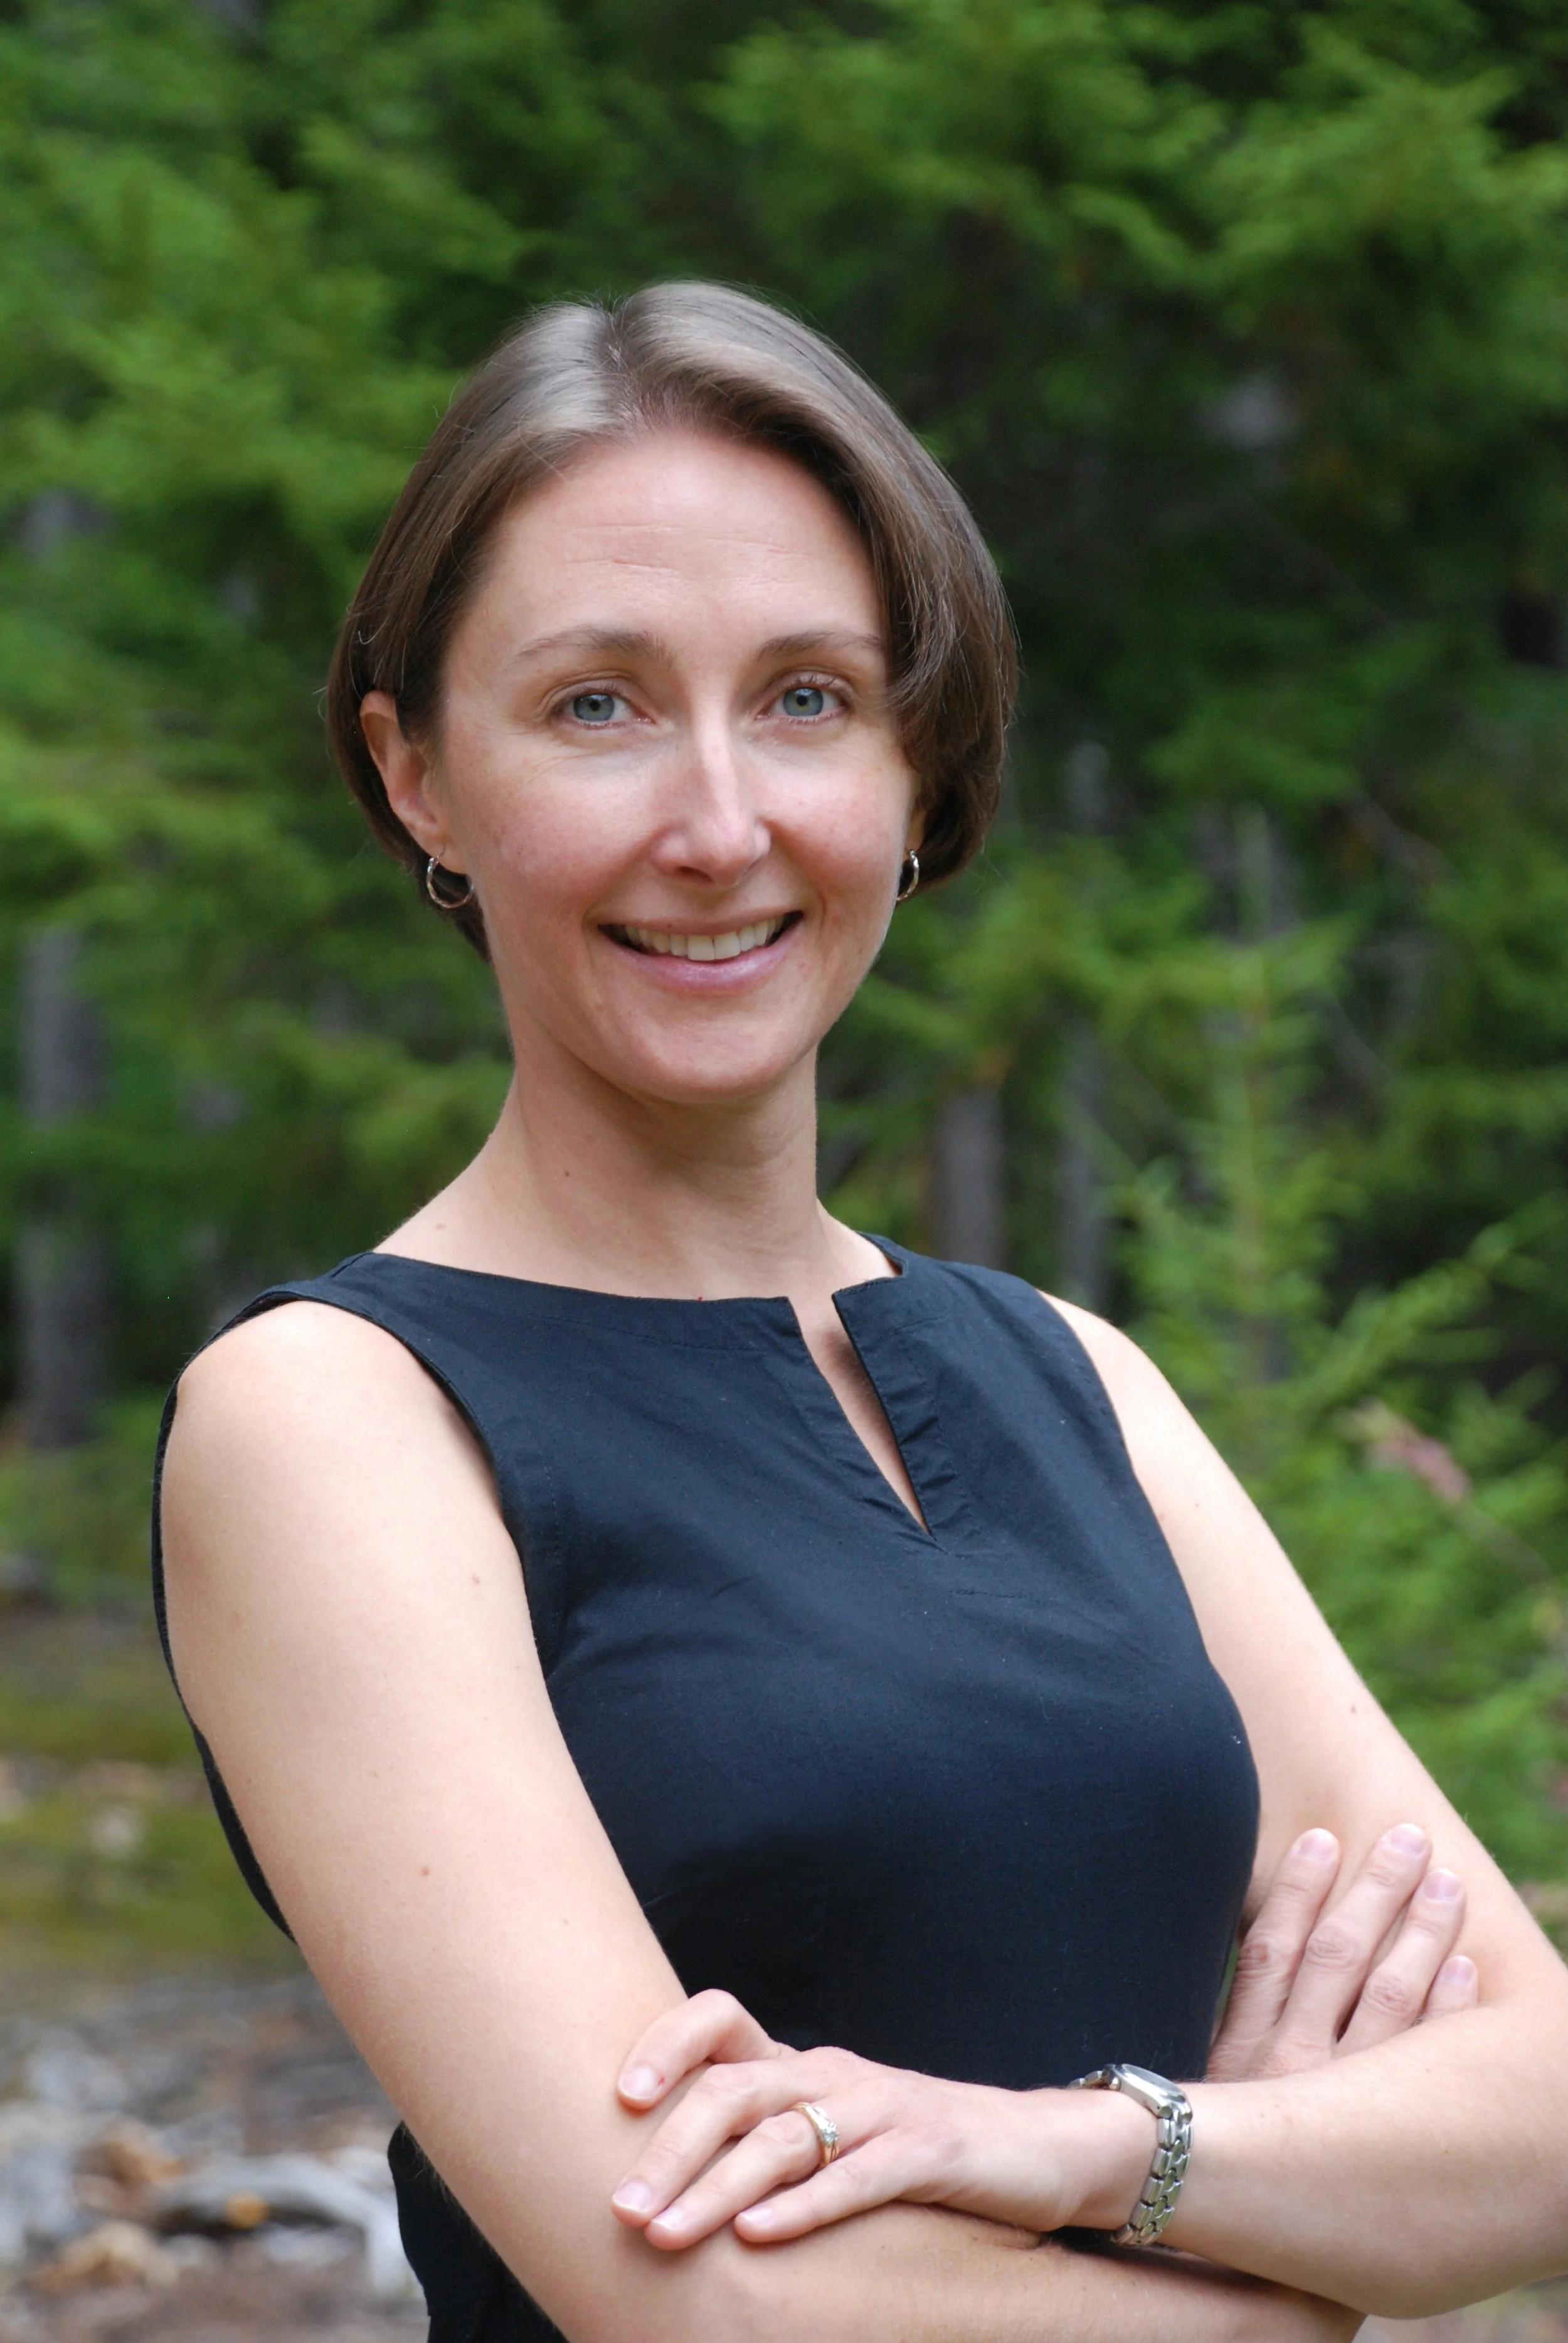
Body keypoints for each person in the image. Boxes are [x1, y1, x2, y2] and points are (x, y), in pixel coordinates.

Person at [155, 283, 1568, 2343]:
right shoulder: (334, 1417)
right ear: (420, 774)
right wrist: (1299, 2291)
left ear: (916, 765)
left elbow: (1540, 2104)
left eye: (807, 697)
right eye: (597, 705)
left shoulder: (1071, 1379)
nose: (719, 824)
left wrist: (1108, 2148)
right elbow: (708, 2299)